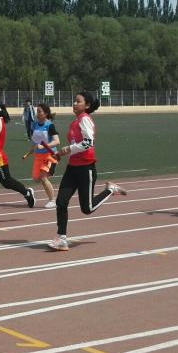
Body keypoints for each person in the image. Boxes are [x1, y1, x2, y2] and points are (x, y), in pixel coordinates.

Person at [49, 92, 127, 251]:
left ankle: (110, 190)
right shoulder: (75, 121)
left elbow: (88, 143)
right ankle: (61, 238)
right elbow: (75, 146)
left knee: (87, 209)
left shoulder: (84, 119)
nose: (74, 103)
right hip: (72, 168)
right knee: (61, 201)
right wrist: (61, 154)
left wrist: (67, 149)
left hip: (86, 168)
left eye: (78, 101)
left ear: (87, 105)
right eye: (74, 101)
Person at [27, 103, 60, 208]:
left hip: (49, 155)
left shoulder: (50, 125)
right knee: (36, 179)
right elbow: (35, 139)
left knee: (43, 177)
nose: (37, 114)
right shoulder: (35, 125)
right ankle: (30, 193)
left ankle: (52, 200)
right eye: (37, 111)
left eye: (39, 111)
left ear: (45, 113)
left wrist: (44, 146)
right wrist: (32, 148)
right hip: (38, 156)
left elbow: (57, 141)